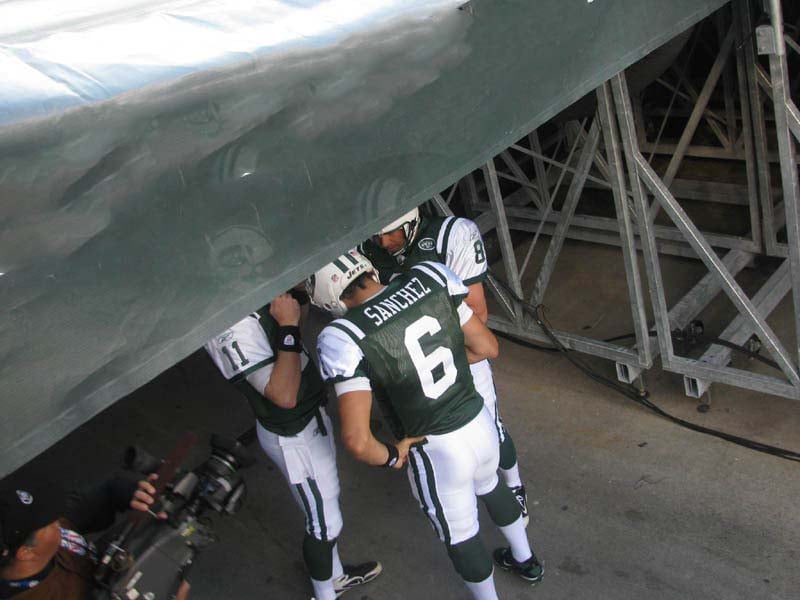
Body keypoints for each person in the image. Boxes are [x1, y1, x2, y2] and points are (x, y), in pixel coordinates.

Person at [309, 251, 543, 600]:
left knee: (461, 535)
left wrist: (392, 455)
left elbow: (357, 440)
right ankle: (526, 559)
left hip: (435, 446)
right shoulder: (430, 278)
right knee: (491, 483)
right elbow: (487, 346)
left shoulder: (343, 336)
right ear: (368, 268)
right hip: (476, 419)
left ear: (328, 297)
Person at [204, 291, 381, 600]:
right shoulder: (230, 327)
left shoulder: (245, 299)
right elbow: (283, 396)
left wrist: (298, 304)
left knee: (325, 507)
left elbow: (295, 338)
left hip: (310, 419)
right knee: (324, 525)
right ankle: (324, 595)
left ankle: (335, 575)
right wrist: (287, 324)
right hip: (294, 437)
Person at [360, 207, 529, 524]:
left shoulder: (451, 235)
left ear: (410, 223)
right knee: (438, 444)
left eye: (390, 232)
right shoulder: (366, 251)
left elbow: (477, 314)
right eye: (376, 235)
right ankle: (464, 494)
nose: (383, 242)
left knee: (491, 428)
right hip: (411, 367)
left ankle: (514, 485)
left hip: (457, 357)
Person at [0, 475, 190, 600]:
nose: (56, 519)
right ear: (26, 552)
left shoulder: (41, 537)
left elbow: (105, 494)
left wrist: (131, 494)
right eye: (48, 523)